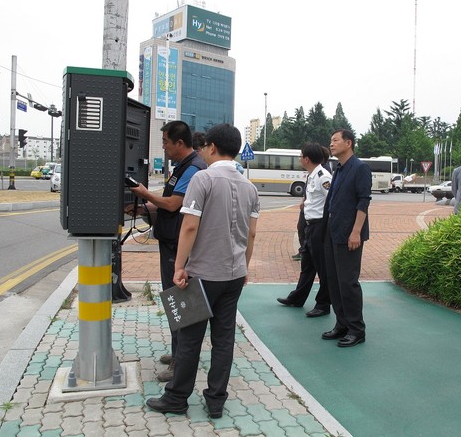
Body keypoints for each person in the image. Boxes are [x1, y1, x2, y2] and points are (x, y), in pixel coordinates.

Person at [146, 123, 260, 418]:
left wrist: (180, 266)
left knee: (189, 337)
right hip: (234, 274)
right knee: (224, 339)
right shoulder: (250, 187)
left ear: (210, 147)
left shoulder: (203, 179)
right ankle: (216, 400)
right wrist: (244, 267)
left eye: (204, 148)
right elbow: (252, 235)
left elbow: (191, 225)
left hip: (202, 274)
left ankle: (177, 398)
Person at [126, 120, 206, 382]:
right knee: (174, 301)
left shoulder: (193, 169)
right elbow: (168, 203)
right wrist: (142, 208)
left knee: (180, 302)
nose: (164, 147)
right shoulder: (182, 168)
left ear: (180, 143)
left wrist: (145, 194)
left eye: (166, 142)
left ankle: (180, 364)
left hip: (179, 247)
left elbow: (173, 204)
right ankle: (178, 353)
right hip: (171, 241)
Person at [321, 129, 371, 348]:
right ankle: (342, 324)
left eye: (335, 140)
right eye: (330, 141)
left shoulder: (360, 168)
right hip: (333, 231)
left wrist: (355, 232)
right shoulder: (338, 168)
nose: (331, 144)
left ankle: (356, 330)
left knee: (348, 282)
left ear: (348, 143)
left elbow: (363, 201)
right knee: (333, 280)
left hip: (349, 233)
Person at [277, 142, 332, 317]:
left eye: (301, 156)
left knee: (322, 267)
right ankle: (297, 298)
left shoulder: (323, 176)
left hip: (319, 227)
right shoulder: (311, 175)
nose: (300, 158)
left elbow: (332, 201)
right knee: (307, 265)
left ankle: (323, 305)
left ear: (307, 159)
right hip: (310, 227)